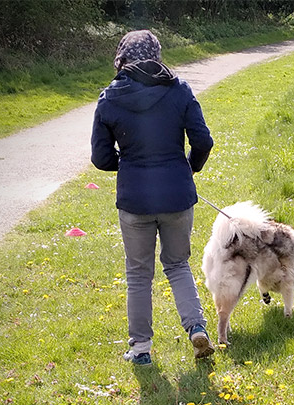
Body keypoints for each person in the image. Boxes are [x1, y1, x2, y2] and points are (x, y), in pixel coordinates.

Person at [91, 30, 215, 364]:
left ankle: (141, 349)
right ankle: (196, 327)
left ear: (122, 56)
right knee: (177, 265)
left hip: (135, 201)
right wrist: (189, 168)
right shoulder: (179, 90)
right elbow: (203, 141)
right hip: (176, 196)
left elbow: (101, 158)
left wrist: (128, 165)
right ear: (156, 54)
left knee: (138, 274)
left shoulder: (109, 98)